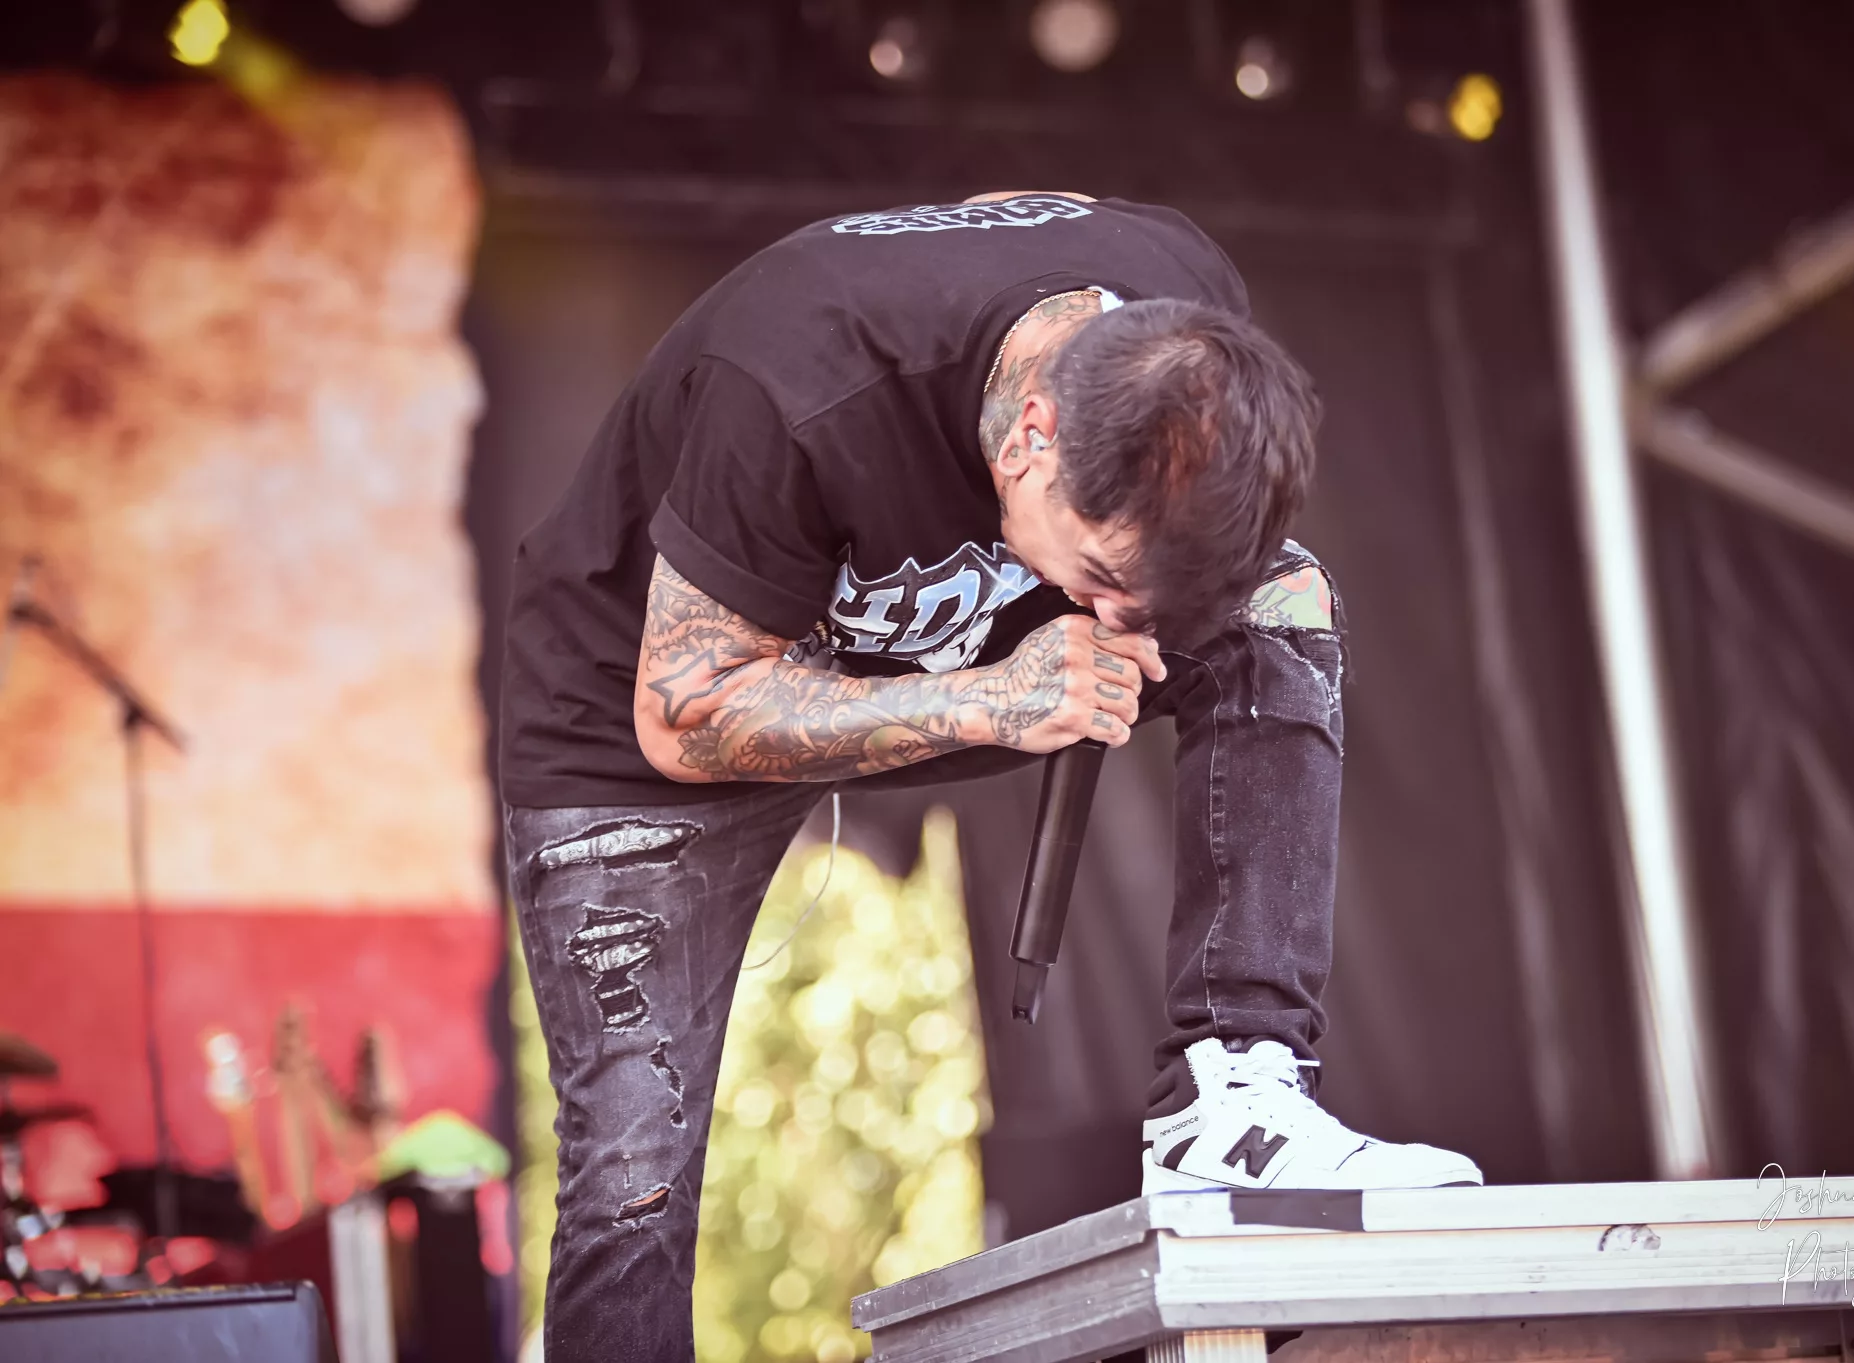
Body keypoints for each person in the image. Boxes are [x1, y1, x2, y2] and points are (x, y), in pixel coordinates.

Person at [498, 190, 1480, 1362]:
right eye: (1102, 578)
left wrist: (1110, 613)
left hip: (938, 653)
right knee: (632, 1175)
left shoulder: (1186, 326)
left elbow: (999, 238)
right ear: (1029, 438)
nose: (1123, 624)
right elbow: (684, 711)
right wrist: (991, 697)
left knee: (1282, 599)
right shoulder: (792, 382)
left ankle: (1231, 1096)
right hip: (649, 713)